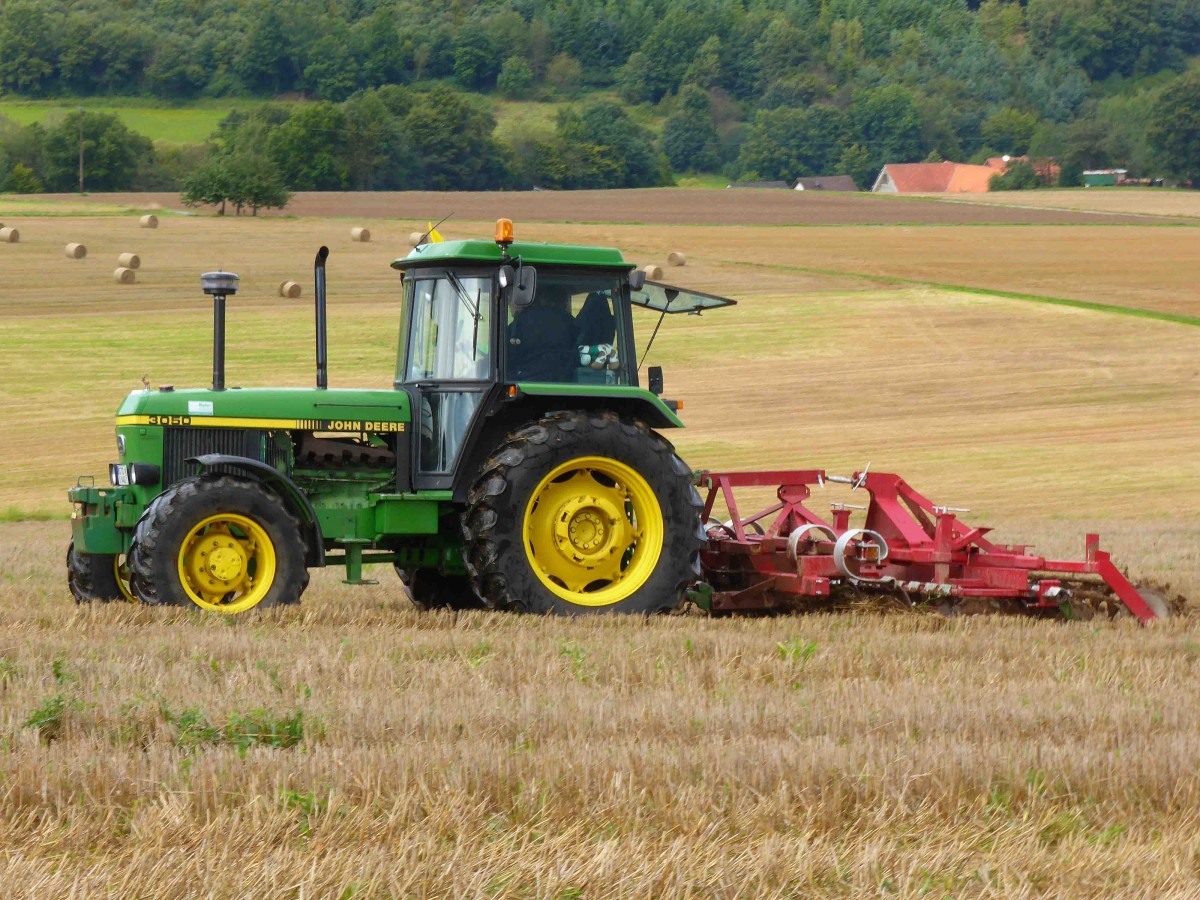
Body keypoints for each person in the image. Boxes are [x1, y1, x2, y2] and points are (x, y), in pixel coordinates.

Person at [506, 286, 577, 382]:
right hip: (568, 384)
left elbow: (504, 357)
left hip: (524, 384)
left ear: (520, 300)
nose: (508, 304)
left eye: (509, 299)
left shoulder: (519, 324)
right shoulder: (572, 322)